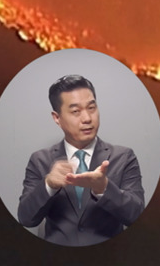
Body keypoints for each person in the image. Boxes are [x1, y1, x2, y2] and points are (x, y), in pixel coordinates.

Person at [17, 74, 146, 245]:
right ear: (57, 118)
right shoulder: (40, 160)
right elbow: (26, 218)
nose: (87, 118)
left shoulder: (123, 157)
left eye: (91, 108)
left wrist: (104, 188)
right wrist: (48, 185)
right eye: (75, 111)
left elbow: (137, 216)